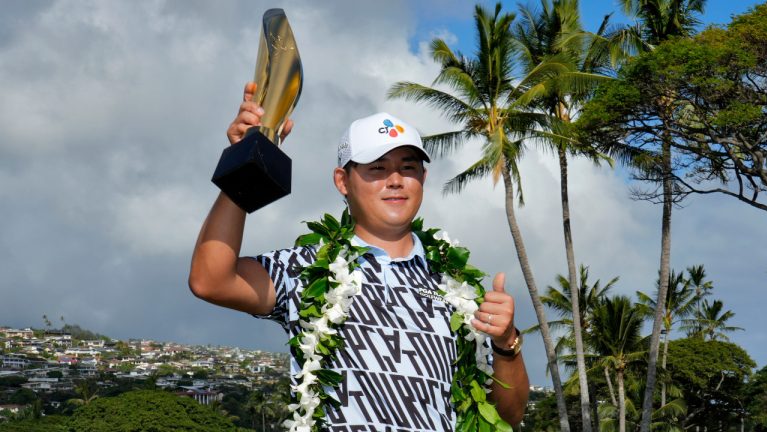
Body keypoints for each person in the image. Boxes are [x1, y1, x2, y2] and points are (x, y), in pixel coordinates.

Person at [189, 82, 529, 430]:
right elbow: (210, 280)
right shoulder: (306, 269)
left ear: (423, 178)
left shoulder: (459, 289)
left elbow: (508, 416)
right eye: (377, 169)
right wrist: (246, 163)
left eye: (408, 167)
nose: (395, 180)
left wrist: (506, 343)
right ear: (343, 181)